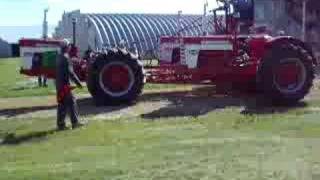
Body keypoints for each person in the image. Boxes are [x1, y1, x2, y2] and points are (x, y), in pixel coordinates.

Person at [55, 39, 85, 130]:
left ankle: (61, 124)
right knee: (72, 103)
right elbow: (71, 73)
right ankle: (75, 123)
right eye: (69, 46)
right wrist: (79, 83)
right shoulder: (65, 57)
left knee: (62, 104)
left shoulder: (58, 57)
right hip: (65, 85)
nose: (70, 47)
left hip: (59, 85)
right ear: (67, 47)